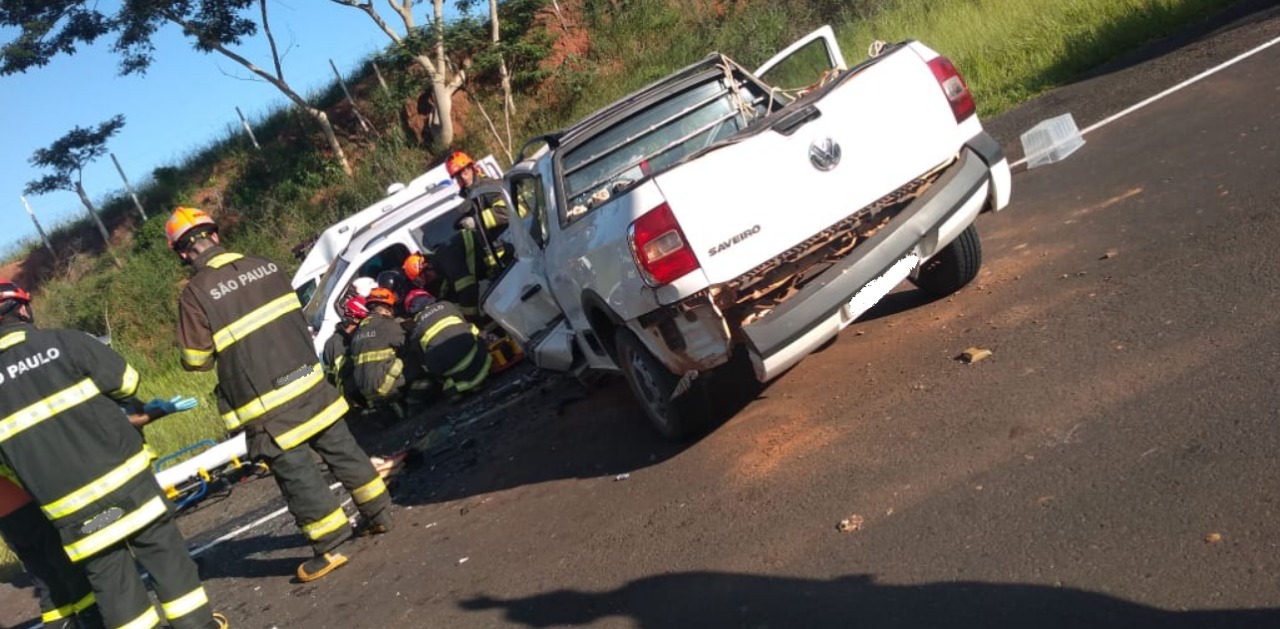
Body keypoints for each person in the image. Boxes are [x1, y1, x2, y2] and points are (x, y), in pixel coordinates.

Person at [165, 207, 392, 583]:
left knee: (297, 473)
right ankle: (379, 514)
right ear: (215, 235)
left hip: (269, 403)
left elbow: (196, 360)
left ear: (184, 253)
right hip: (310, 381)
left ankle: (331, 545)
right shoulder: (266, 266)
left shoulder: (196, 294)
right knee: (342, 449)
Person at [0, 279, 226, 629]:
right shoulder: (65, 341)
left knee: (112, 585)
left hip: (73, 510)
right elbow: (127, 383)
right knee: (166, 559)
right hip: (128, 483)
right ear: (24, 308)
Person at [0, 474, 103, 629]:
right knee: (69, 570)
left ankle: (62, 622)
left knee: (46, 578)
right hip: (28, 499)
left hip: (8, 517)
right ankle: (93, 618)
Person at [405, 290, 492, 396]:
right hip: (471, 352)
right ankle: (474, 377)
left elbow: (423, 363)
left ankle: (456, 385)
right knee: (471, 328)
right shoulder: (447, 305)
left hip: (447, 369)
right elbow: (465, 324)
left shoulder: (415, 329)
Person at [349, 288, 407, 412]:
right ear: (385, 307)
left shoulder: (358, 331)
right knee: (412, 353)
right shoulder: (387, 324)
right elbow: (406, 342)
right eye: (391, 308)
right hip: (385, 387)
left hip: (366, 393)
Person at [321, 296, 368, 408]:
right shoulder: (336, 343)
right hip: (347, 401)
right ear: (355, 319)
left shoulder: (352, 338)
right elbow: (345, 376)